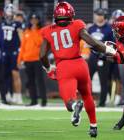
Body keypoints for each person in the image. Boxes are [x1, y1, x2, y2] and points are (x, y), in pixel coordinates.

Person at [40, 2, 116, 137]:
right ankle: (93, 126)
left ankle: (75, 106)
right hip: (80, 64)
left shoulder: (48, 30)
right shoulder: (77, 24)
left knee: (69, 102)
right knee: (87, 95)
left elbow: (42, 55)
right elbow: (93, 42)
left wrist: (47, 68)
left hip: (64, 67)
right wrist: (111, 50)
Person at [17, 14, 47, 107]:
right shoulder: (26, 31)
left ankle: (43, 100)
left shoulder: (41, 31)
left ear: (38, 21)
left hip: (38, 59)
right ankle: (33, 101)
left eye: (35, 19)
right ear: (30, 20)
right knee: (30, 81)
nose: (33, 21)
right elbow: (22, 47)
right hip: (27, 59)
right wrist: (19, 59)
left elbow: (40, 43)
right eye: (32, 19)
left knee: (40, 80)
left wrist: (34, 31)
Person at [87, 8, 115, 107]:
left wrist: (107, 53)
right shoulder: (91, 28)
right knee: (87, 79)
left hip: (103, 57)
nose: (99, 17)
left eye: (101, 15)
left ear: (104, 16)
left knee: (103, 80)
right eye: (97, 15)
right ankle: (89, 100)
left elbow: (112, 44)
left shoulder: (109, 29)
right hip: (93, 57)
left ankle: (102, 102)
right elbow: (87, 42)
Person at [1, 3, 23, 104]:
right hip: (4, 52)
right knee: (4, 74)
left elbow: (22, 39)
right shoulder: (1, 23)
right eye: (8, 13)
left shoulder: (17, 24)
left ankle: (18, 96)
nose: (9, 16)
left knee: (15, 74)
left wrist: (21, 51)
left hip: (14, 52)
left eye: (11, 13)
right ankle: (6, 94)